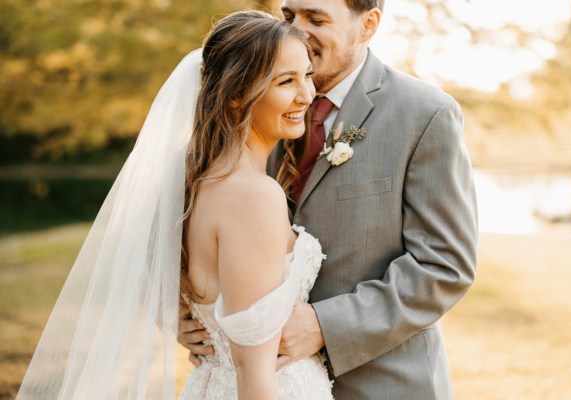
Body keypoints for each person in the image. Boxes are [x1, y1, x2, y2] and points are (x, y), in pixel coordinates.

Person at [17, 10, 335, 400]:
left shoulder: (192, 183)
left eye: (306, 74)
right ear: (236, 96)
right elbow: (253, 370)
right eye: (286, 81)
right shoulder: (253, 196)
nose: (306, 94)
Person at [179, 0, 478, 399]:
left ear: (368, 24)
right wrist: (187, 314)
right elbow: (177, 225)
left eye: (316, 18)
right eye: (289, 17)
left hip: (385, 383)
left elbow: (444, 264)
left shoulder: (425, 114)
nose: (298, 31)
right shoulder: (251, 112)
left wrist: (324, 325)